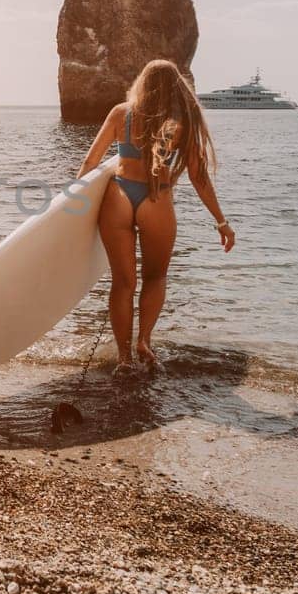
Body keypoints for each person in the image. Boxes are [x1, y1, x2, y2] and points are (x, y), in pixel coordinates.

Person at [77, 59, 234, 368]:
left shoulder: (121, 114)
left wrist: (71, 209)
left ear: (142, 84)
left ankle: (123, 358)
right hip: (155, 199)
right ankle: (143, 342)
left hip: (118, 195)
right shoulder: (180, 124)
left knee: (123, 283)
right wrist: (222, 222)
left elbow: (90, 163)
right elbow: (198, 177)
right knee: (155, 276)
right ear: (178, 89)